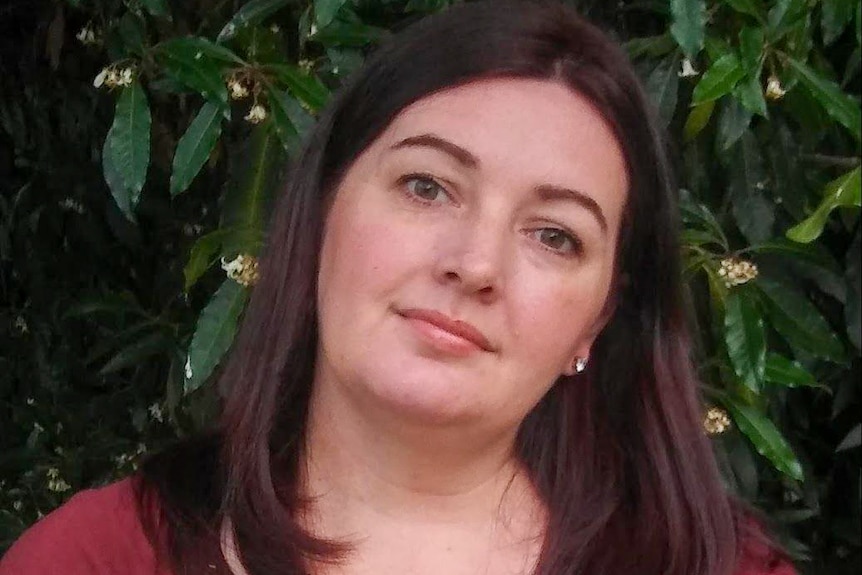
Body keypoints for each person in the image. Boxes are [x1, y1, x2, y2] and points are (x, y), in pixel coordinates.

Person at [1, 2, 797, 574]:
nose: (475, 264)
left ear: (595, 323)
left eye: (555, 235)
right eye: (427, 187)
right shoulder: (95, 559)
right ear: (318, 215)